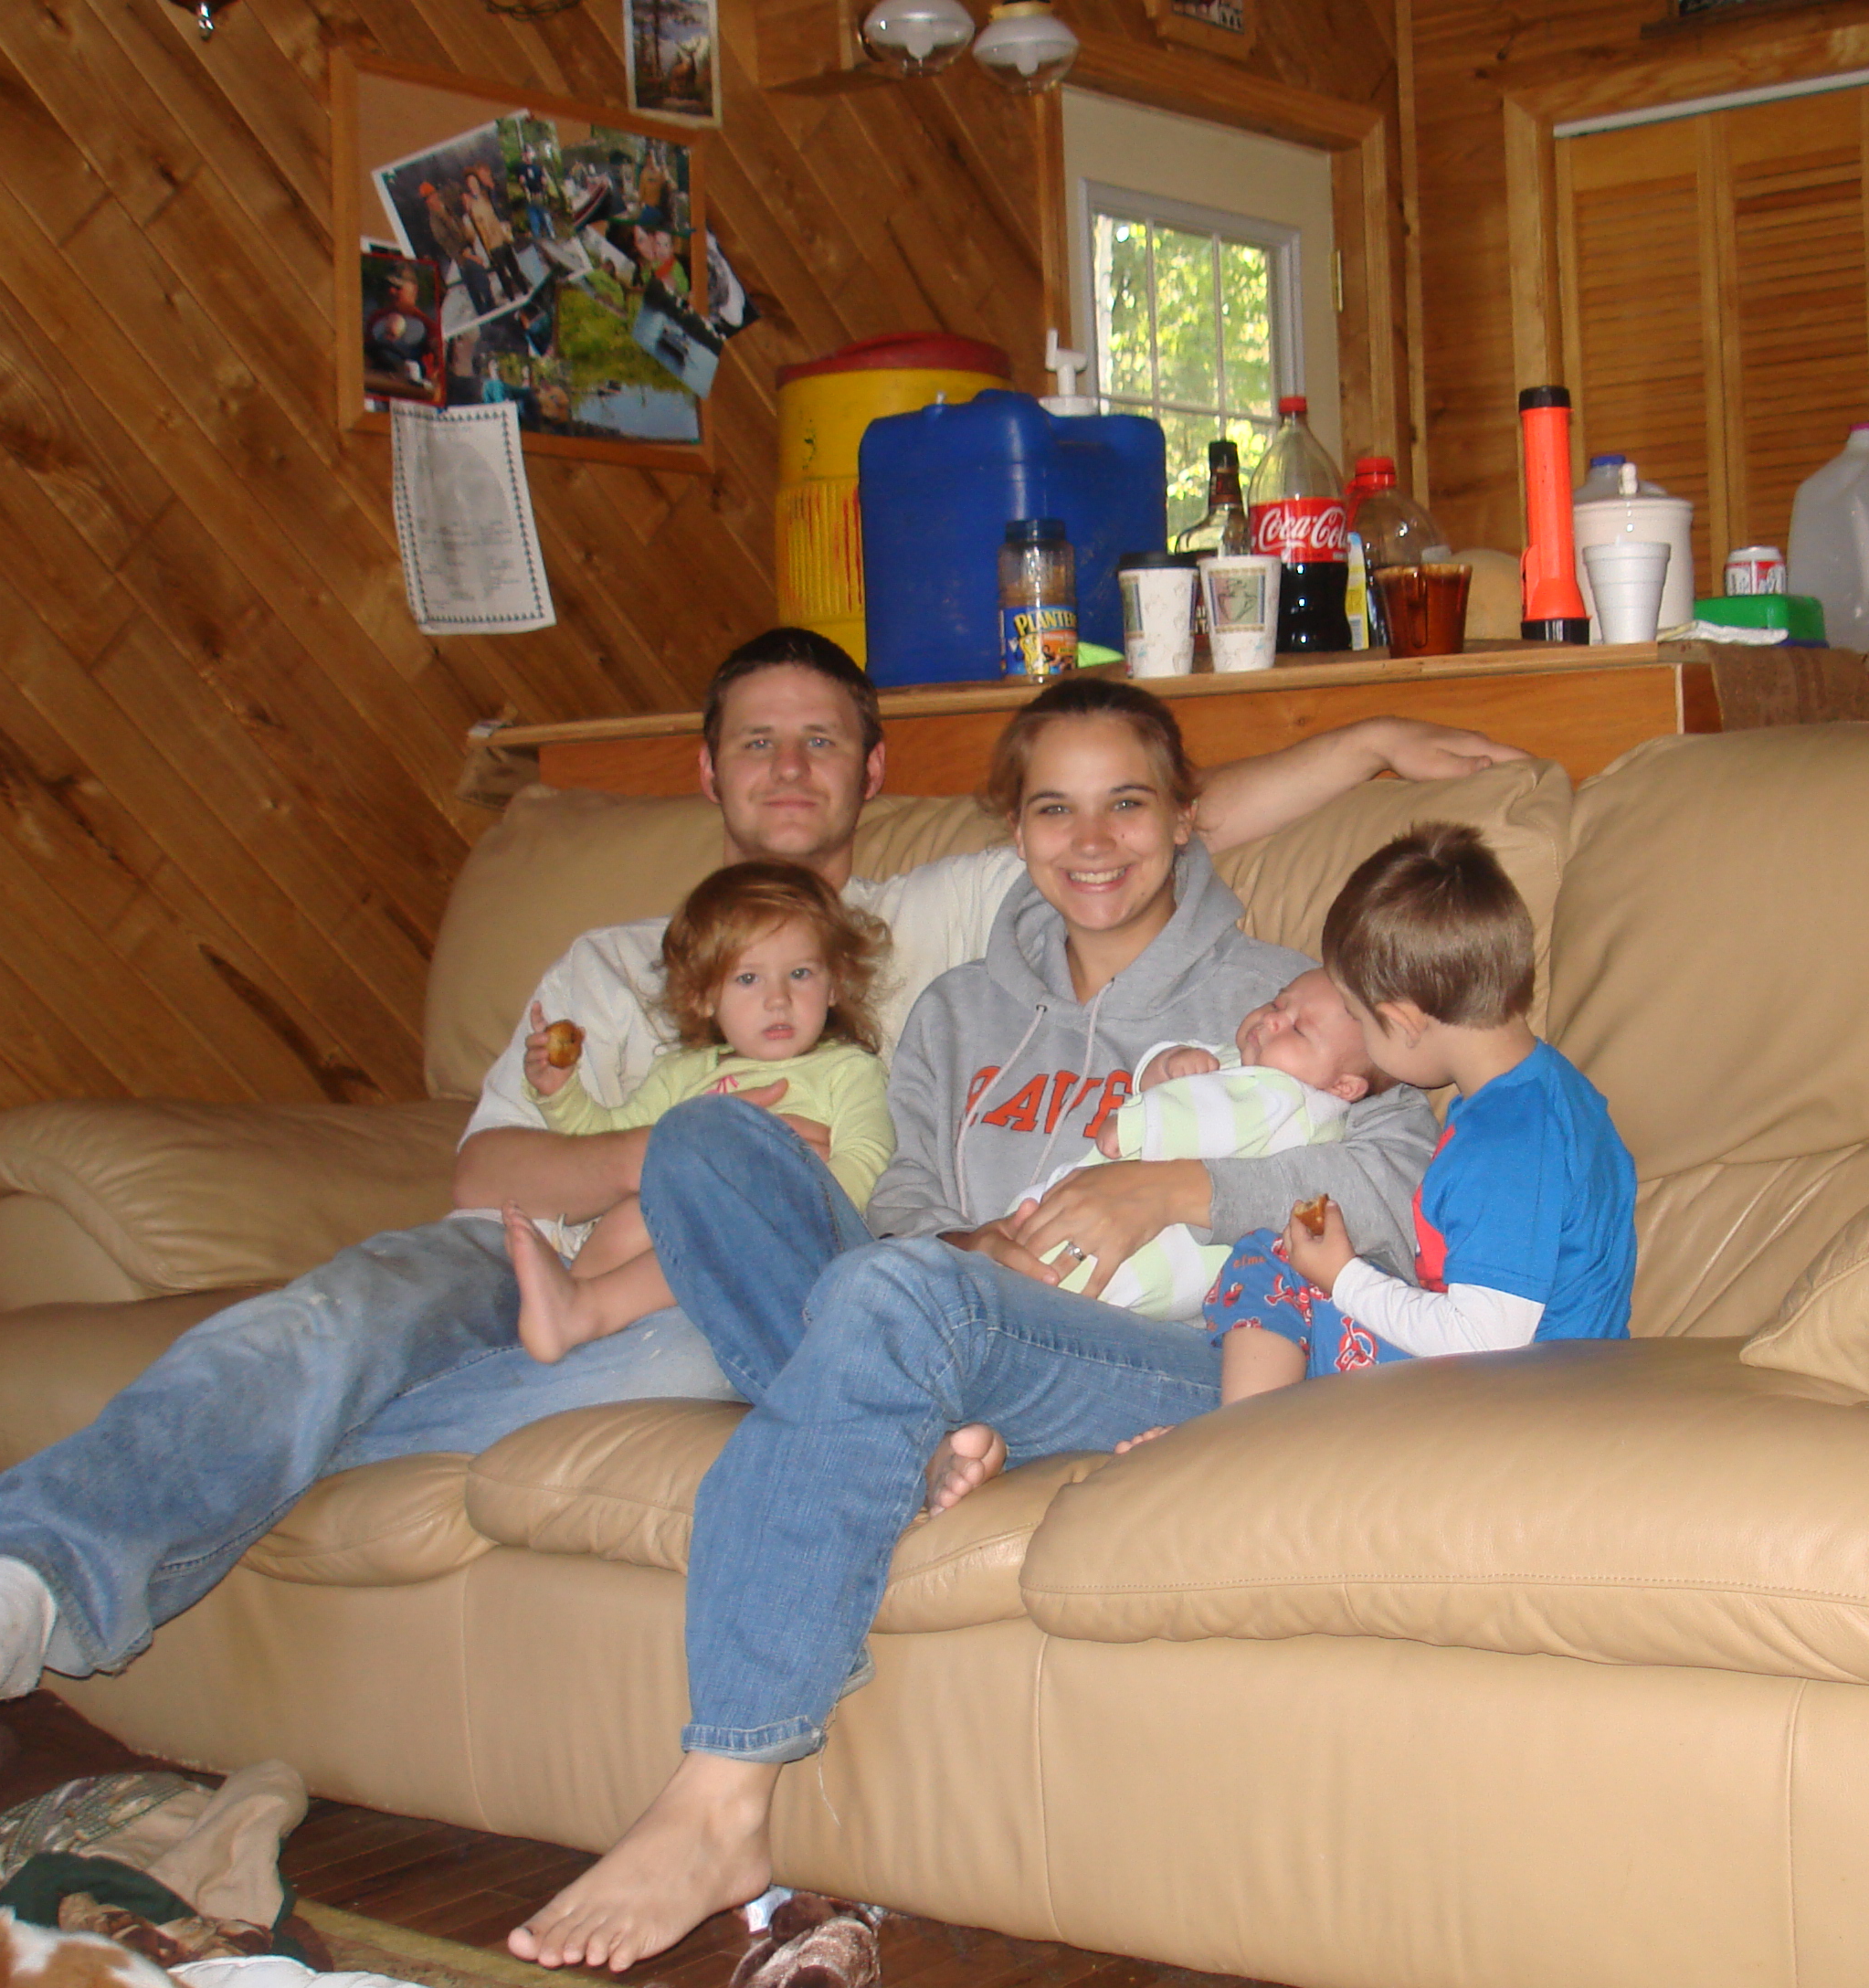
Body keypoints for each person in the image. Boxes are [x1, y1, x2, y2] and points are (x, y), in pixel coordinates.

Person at [0, 629, 1520, 1709]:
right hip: (554, 1251)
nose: (790, 771)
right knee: (340, 1316)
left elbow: (1140, 828)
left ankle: (138, 1505)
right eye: (756, 745)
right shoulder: (607, 963)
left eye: (824, 745)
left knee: (488, 1364)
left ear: (876, 777)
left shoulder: (929, 925)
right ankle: (30, 1574)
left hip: (764, 1296)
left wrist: (1365, 735)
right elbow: (481, 1176)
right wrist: (671, 1151)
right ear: (707, 771)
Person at [506, 679, 1442, 1972]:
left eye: (1128, 804)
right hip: (972, 1316)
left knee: (891, 1299)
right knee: (706, 1141)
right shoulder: (956, 1011)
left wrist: (1170, 1190)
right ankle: (918, 1417)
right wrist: (968, 1248)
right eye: (1055, 809)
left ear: (1187, 817)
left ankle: (721, 1798)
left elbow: (1403, 1176)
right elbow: (898, 1204)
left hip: (1183, 1360)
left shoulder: (1290, 994)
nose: (1093, 841)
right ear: (1015, 829)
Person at [1188, 822, 1636, 1410]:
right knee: (1298, 1269)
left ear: (1401, 1022)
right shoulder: (1546, 1089)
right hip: (1531, 1381)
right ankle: (1236, 1430)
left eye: (1358, 1018)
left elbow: (1485, 1338)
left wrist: (1344, 1277)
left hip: (1519, 1403)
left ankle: (1240, 1443)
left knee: (1272, 1264)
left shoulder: (1506, 1142)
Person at [509, 858, 893, 1363]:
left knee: (715, 1227)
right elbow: (604, 1136)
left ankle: (585, 1309)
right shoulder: (681, 1073)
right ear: (704, 997)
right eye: (748, 978)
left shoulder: (847, 1069)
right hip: (689, 1254)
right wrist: (560, 1091)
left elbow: (868, 1154)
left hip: (794, 1247)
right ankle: (571, 1305)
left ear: (834, 984)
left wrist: (803, 1206)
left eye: (800, 974)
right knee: (634, 1212)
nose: (778, 1000)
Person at [1019, 967, 1385, 1318]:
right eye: (1277, 1004)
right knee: (1031, 1233)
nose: (1272, 1020)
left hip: (1152, 1252)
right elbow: (1151, 1077)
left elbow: (1203, 1116)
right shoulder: (1243, 1061)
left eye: (1299, 1030)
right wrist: (1170, 1062)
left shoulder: (1288, 1098)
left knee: (1048, 1258)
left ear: (1343, 1086)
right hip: (1156, 1243)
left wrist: (1133, 1126)